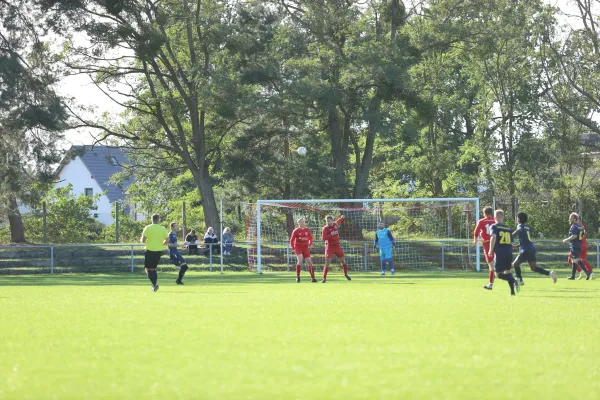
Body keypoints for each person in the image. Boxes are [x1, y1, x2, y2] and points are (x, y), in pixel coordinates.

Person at [511, 212, 557, 284]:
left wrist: (510, 236)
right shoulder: (527, 227)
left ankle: (520, 280)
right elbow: (526, 239)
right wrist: (518, 245)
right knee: (533, 268)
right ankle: (550, 274)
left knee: (515, 264)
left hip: (525, 249)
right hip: (531, 248)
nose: (516, 219)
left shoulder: (520, 225)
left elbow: (519, 230)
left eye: (517, 217)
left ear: (519, 219)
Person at [488, 210, 519, 296]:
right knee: (508, 271)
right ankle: (512, 292)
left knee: (498, 274)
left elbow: (493, 237)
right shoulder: (508, 228)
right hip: (509, 252)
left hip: (500, 252)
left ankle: (514, 280)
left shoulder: (494, 226)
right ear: (503, 217)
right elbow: (511, 242)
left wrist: (490, 250)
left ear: (495, 217)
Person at [140, 214, 169, 292]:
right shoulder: (162, 228)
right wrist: (162, 243)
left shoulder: (148, 228)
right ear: (158, 219)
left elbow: (143, 240)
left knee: (148, 269)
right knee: (153, 268)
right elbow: (167, 240)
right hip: (158, 251)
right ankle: (154, 285)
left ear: (151, 219)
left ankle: (155, 284)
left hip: (149, 250)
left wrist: (147, 242)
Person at [563, 213, 593, 280]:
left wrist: (566, 240)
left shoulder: (574, 226)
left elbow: (574, 236)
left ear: (574, 219)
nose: (569, 218)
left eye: (570, 217)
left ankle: (587, 272)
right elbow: (582, 236)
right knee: (574, 260)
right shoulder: (580, 226)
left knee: (577, 260)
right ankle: (573, 276)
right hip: (579, 245)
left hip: (574, 245)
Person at [321, 215, 351, 283]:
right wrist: (330, 235)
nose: (328, 222)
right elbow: (324, 238)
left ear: (332, 220)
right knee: (327, 262)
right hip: (329, 247)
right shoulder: (325, 228)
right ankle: (324, 278)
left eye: (329, 221)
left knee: (343, 261)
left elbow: (338, 221)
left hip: (337, 246)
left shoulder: (335, 224)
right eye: (327, 221)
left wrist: (342, 218)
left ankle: (346, 274)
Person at [474, 206, 496, 290]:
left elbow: (476, 232)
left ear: (484, 213)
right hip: (497, 244)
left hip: (487, 244)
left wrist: (475, 240)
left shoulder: (481, 221)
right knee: (496, 266)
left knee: (492, 266)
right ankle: (490, 284)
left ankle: (490, 285)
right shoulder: (496, 221)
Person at [290, 218, 317, 283]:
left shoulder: (307, 229)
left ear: (305, 222)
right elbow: (292, 240)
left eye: (303, 222)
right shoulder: (296, 230)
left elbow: (310, 237)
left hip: (305, 247)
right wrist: (293, 248)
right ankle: (298, 277)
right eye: (300, 222)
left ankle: (313, 278)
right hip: (298, 247)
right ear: (298, 223)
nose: (302, 223)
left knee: (310, 262)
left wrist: (310, 243)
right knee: (300, 260)